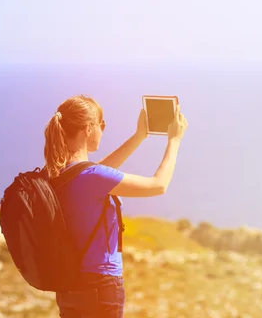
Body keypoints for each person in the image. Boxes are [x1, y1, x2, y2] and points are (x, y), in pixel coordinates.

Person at [43, 94, 188, 318]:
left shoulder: (57, 174)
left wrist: (139, 136)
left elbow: (96, 171)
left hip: (68, 287)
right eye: (102, 124)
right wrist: (174, 141)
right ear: (88, 129)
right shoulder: (92, 177)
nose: (104, 129)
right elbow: (158, 185)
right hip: (100, 286)